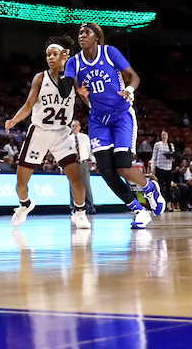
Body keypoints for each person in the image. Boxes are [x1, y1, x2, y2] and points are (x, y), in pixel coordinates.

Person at [64, 23, 151, 229]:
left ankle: (149, 188)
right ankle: (139, 210)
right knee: (105, 170)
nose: (82, 36)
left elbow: (134, 76)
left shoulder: (109, 52)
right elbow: (69, 87)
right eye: (80, 33)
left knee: (122, 166)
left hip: (121, 115)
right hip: (97, 119)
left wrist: (129, 89)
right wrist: (79, 92)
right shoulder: (74, 62)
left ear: (97, 37)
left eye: (87, 32)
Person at [4, 36, 90, 229]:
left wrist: (87, 95)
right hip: (39, 132)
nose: (50, 57)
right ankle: (25, 205)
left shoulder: (73, 78)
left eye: (55, 54)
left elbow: (87, 100)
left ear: (64, 56)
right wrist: (14, 120)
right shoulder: (40, 77)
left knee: (76, 178)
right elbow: (28, 106)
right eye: (48, 54)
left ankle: (79, 212)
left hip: (62, 133)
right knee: (20, 183)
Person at [72, 121, 97, 216]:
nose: (74, 128)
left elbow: (90, 150)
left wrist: (93, 161)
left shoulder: (84, 137)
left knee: (86, 185)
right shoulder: (68, 139)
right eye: (72, 126)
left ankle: (90, 207)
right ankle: (75, 208)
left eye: (76, 126)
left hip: (83, 162)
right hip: (73, 164)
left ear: (79, 127)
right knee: (73, 186)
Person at [150, 130, 177, 212]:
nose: (164, 136)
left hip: (168, 168)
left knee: (169, 187)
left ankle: (168, 204)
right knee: (160, 186)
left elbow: (173, 158)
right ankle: (161, 203)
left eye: (165, 134)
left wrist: (171, 157)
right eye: (163, 134)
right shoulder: (157, 145)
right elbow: (154, 157)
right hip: (160, 167)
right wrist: (152, 169)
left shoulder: (171, 145)